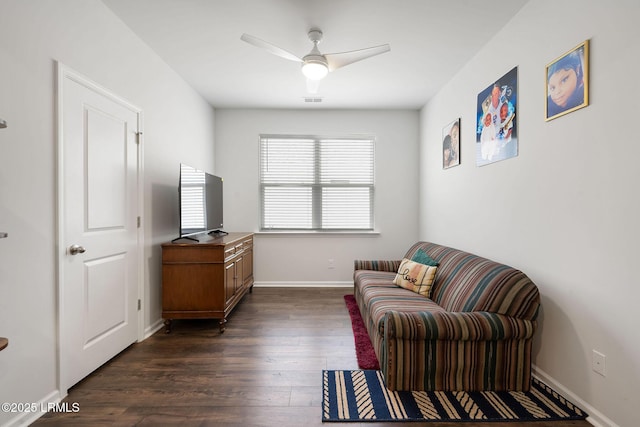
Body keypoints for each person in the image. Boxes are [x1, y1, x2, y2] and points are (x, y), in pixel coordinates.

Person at [547, 50, 584, 117]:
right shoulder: (549, 106)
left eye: (564, 80)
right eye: (552, 88)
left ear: (577, 70)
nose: (557, 92)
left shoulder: (582, 93)